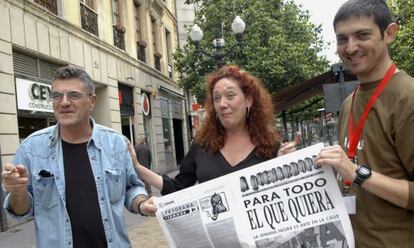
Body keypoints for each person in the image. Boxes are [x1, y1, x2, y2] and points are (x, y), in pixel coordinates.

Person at [1, 66, 155, 247]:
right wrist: (18, 193)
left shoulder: (116, 144)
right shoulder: (31, 148)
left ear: (92, 101)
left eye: (73, 95)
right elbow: (20, 211)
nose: (64, 102)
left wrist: (142, 204)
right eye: (57, 96)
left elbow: (131, 187)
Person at [316, 0, 414, 247]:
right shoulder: (350, 101)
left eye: (362, 35)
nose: (350, 48)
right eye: (342, 39)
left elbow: (355, 171)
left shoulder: (408, 97)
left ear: (389, 33)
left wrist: (355, 173)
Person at [130, 65, 300, 201]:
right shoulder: (202, 146)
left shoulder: (271, 148)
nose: (222, 104)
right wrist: (139, 168)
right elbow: (179, 187)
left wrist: (289, 164)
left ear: (248, 99)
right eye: (217, 98)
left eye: (230, 96)